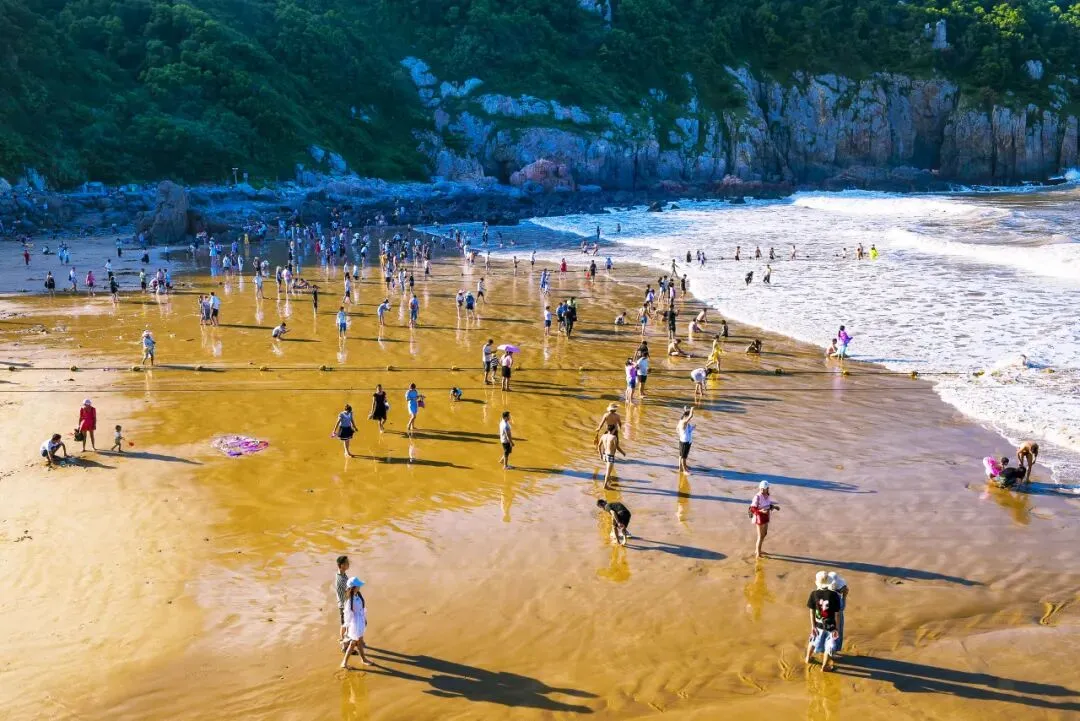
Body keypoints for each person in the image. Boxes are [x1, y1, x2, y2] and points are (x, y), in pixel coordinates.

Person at [805, 571, 843, 671]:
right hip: (831, 626)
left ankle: (808, 658)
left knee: (813, 640)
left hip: (818, 624)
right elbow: (837, 614)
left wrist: (813, 626)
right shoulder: (834, 595)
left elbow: (811, 611)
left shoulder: (814, 594)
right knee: (829, 646)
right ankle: (825, 666)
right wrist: (837, 628)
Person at [340, 577, 372, 668]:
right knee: (354, 643)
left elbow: (362, 609)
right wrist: (347, 628)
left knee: (358, 642)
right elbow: (347, 615)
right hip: (355, 624)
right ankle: (345, 663)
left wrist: (364, 619)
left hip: (360, 621)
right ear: (353, 587)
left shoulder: (358, 595)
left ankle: (363, 659)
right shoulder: (349, 600)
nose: (359, 587)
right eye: (358, 586)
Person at [748, 480, 779, 558]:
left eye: (765, 488)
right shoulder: (757, 497)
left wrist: (774, 507)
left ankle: (759, 550)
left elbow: (767, 505)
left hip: (766, 516)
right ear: (760, 488)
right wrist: (760, 511)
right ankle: (758, 553)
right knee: (760, 536)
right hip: (759, 517)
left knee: (764, 534)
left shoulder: (767, 495)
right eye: (762, 488)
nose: (763, 490)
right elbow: (752, 508)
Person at [597, 425, 625, 489]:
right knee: (608, 472)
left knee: (608, 470)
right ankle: (605, 486)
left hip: (604, 455)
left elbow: (599, 446)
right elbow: (617, 447)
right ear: (613, 430)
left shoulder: (603, 436)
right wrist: (623, 453)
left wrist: (600, 454)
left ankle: (608, 481)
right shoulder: (614, 437)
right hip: (610, 456)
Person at [826, 571, 849, 653]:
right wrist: (844, 596)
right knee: (834, 636)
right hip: (836, 620)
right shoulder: (838, 598)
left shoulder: (825, 593)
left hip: (825, 617)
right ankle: (831, 651)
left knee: (827, 634)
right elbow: (841, 609)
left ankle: (825, 648)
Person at [333, 556, 350, 647]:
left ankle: (344, 640)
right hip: (344, 605)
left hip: (344, 603)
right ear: (342, 565)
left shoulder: (342, 574)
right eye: (347, 562)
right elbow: (348, 592)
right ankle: (344, 645)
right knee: (345, 624)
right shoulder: (341, 579)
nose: (348, 564)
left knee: (346, 623)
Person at [676, 407, 695, 473]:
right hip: (685, 442)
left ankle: (681, 468)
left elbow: (677, 429)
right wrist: (692, 409)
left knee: (681, 455)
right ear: (686, 417)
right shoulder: (684, 422)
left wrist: (680, 435)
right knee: (683, 457)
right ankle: (684, 470)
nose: (689, 420)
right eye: (688, 418)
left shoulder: (681, 421)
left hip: (684, 440)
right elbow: (690, 416)